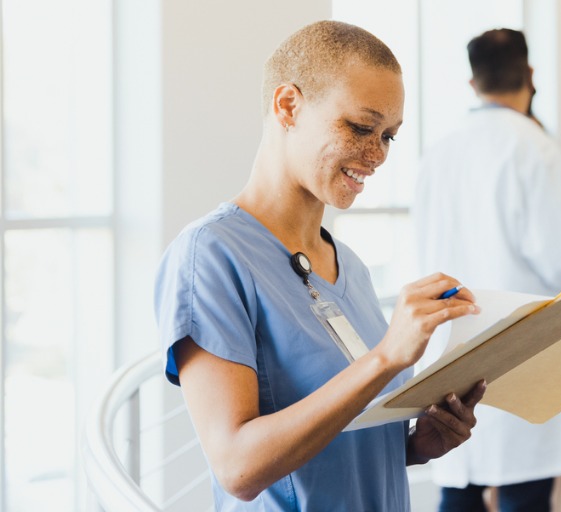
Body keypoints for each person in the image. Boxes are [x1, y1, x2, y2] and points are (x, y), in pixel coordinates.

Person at [153, 21, 486, 511]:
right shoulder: (211, 255)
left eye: (389, 136)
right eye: (359, 127)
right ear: (288, 106)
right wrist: (387, 356)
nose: (375, 156)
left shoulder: (347, 264)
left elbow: (342, 436)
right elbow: (237, 468)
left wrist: (415, 445)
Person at [412, 28, 561, 512]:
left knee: (460, 485)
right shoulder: (536, 147)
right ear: (530, 75)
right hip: (523, 345)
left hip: (452, 340)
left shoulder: (439, 151)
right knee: (525, 489)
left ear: (472, 82)